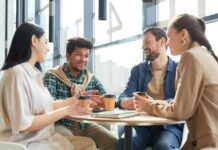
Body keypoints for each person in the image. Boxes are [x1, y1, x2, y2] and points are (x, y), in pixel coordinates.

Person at [0, 22, 96, 150]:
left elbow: (49, 105)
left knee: (88, 143)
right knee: (87, 145)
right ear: (34, 41)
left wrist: (75, 100)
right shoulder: (15, 74)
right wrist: (66, 111)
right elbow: (24, 123)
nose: (48, 49)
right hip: (25, 144)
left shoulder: (33, 74)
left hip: (41, 140)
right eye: (45, 42)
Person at [134, 14, 218, 150]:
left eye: (169, 36)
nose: (167, 43)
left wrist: (149, 106)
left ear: (183, 34)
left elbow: (180, 112)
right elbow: (185, 105)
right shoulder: (207, 56)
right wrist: (153, 102)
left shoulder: (190, 57)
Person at [43, 37, 118, 150]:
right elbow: (48, 105)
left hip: (85, 124)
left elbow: (104, 96)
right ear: (68, 55)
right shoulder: (52, 76)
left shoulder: (90, 78)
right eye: (79, 54)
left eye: (86, 55)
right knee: (81, 145)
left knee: (114, 142)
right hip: (61, 124)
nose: (83, 59)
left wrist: (100, 103)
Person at [117, 27, 183, 150]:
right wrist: (125, 102)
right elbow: (124, 94)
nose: (143, 47)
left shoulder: (179, 69)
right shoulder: (138, 70)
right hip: (142, 126)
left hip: (168, 126)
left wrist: (152, 104)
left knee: (163, 146)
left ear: (162, 42)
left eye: (147, 42)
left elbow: (181, 101)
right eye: (143, 43)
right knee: (125, 143)